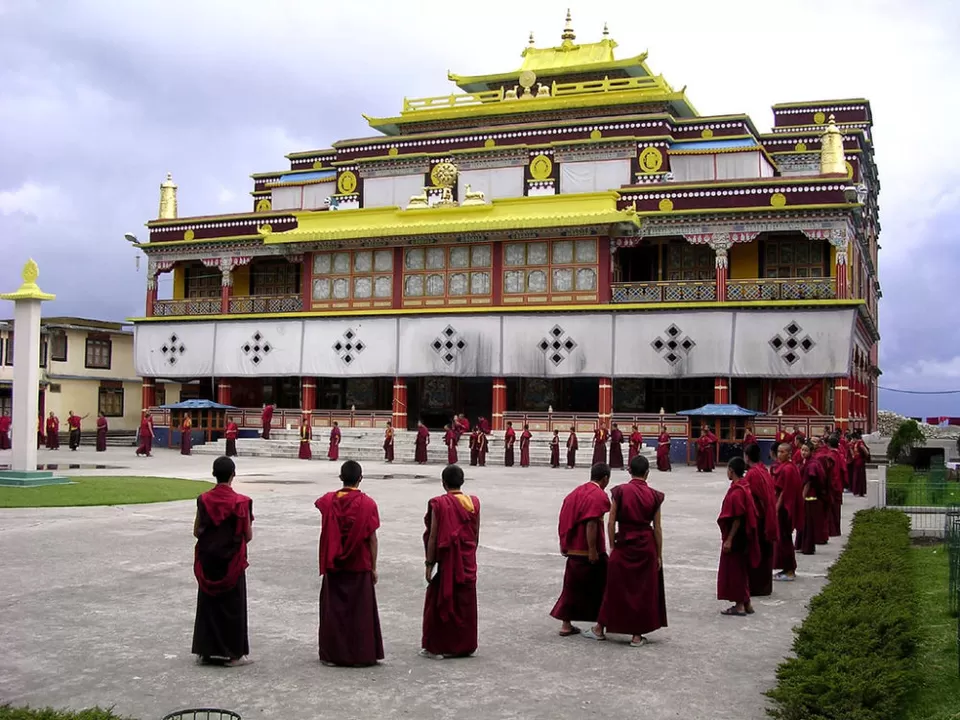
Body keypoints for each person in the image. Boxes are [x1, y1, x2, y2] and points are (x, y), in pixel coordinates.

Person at [588, 455, 667, 647]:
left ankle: (599, 628)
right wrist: (659, 554)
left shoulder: (620, 491)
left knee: (615, 588)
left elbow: (611, 519)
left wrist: (613, 545)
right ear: (647, 474)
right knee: (642, 590)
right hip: (646, 545)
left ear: (629, 471)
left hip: (624, 543)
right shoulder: (655, 496)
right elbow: (657, 527)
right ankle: (636, 635)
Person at [315, 460, 383, 667]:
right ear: (360, 479)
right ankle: (360, 655)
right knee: (359, 611)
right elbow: (372, 538)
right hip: (359, 563)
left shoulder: (329, 501)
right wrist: (374, 567)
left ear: (341, 478)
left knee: (334, 610)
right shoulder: (368, 504)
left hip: (334, 563)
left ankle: (333, 654)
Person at [192, 456, 254, 666]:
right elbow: (248, 534)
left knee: (209, 604)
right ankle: (233, 654)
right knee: (232, 604)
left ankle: (206, 651)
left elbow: (196, 530)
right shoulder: (242, 502)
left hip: (208, 559)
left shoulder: (203, 499)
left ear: (213, 474)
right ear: (233, 475)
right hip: (232, 561)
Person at [422, 464, 480, 659]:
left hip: (448, 561)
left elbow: (433, 536)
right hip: (467, 558)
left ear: (443, 483)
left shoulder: (439, 503)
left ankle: (439, 646)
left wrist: (429, 564)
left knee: (438, 600)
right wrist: (470, 555)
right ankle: (465, 645)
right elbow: (475, 534)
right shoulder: (473, 503)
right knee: (464, 602)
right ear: (462, 482)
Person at [550, 462, 611, 637]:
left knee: (571, 587)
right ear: (605, 478)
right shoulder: (598, 495)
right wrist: (592, 550)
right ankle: (600, 625)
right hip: (590, 550)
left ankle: (566, 624)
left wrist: (564, 543)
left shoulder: (574, 493)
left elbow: (563, 519)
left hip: (573, 549)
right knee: (605, 586)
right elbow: (591, 523)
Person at [717, 457, 760, 616]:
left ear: (731, 471)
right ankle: (746, 602)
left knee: (735, 570)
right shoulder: (744, 486)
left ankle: (739, 604)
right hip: (743, 535)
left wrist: (729, 539)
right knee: (741, 569)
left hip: (736, 537)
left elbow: (738, 517)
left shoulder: (737, 492)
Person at [743, 443, 778, 599]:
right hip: (767, 515)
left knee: (757, 552)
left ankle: (756, 587)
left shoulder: (752, 474)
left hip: (759, 518)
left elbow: (757, 499)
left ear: (747, 456)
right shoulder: (764, 470)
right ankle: (765, 586)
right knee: (765, 552)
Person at [772, 443, 804, 581]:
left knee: (785, 539)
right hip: (784, 507)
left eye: (783, 452)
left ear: (789, 453)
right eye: (778, 452)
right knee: (783, 539)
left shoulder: (788, 470)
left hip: (785, 508)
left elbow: (784, 492)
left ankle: (790, 570)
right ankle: (786, 568)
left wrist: (776, 509)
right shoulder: (786, 467)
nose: (780, 455)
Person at [794, 442, 823, 555]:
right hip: (803, 494)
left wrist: (802, 496)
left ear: (811, 451)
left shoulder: (812, 464)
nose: (803, 452)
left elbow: (809, 482)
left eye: (806, 450)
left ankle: (808, 547)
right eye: (802, 450)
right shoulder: (804, 462)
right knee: (803, 522)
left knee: (808, 523)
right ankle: (801, 545)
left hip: (809, 496)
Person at [850, 431, 869, 497]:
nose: (852, 440)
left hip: (860, 461)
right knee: (857, 476)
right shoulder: (856, 443)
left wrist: (865, 457)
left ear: (855, 438)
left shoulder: (860, 443)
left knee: (860, 476)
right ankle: (857, 491)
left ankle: (861, 491)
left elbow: (865, 450)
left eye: (852, 439)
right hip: (857, 461)